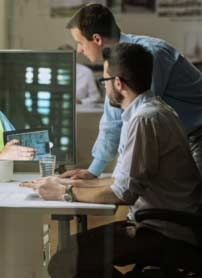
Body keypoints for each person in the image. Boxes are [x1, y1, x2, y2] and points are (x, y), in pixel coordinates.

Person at [21, 43, 202, 278]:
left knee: (65, 262)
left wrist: (64, 194)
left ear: (118, 83)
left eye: (104, 81)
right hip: (160, 222)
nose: (104, 88)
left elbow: (122, 193)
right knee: (69, 255)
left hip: (164, 230)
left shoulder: (144, 120)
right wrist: (64, 184)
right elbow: (122, 181)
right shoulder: (152, 110)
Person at [62, 3, 202, 179]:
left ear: (97, 39)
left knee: (193, 199)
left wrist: (117, 181)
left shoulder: (148, 54)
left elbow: (137, 120)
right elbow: (112, 120)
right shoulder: (115, 62)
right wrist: (93, 171)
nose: (79, 50)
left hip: (198, 134)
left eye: (79, 42)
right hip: (181, 138)